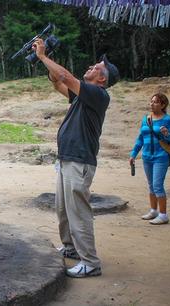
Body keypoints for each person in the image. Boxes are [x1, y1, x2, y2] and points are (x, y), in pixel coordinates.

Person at [33, 39, 120, 278]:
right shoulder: (82, 97)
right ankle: (71, 248)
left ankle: (90, 262)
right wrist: (48, 60)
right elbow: (58, 82)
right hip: (67, 159)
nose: (91, 66)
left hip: (79, 160)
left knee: (78, 211)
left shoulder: (98, 95)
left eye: (96, 68)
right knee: (63, 209)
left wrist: (42, 57)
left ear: (102, 79)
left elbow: (66, 76)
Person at [129, 93, 170, 225]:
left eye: (156, 102)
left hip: (161, 157)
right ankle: (153, 211)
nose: (152, 104)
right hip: (147, 157)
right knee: (151, 186)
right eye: (151, 101)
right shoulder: (146, 119)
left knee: (157, 185)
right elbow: (140, 139)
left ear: (163, 105)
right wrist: (133, 154)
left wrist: (167, 134)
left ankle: (163, 215)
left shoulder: (167, 119)